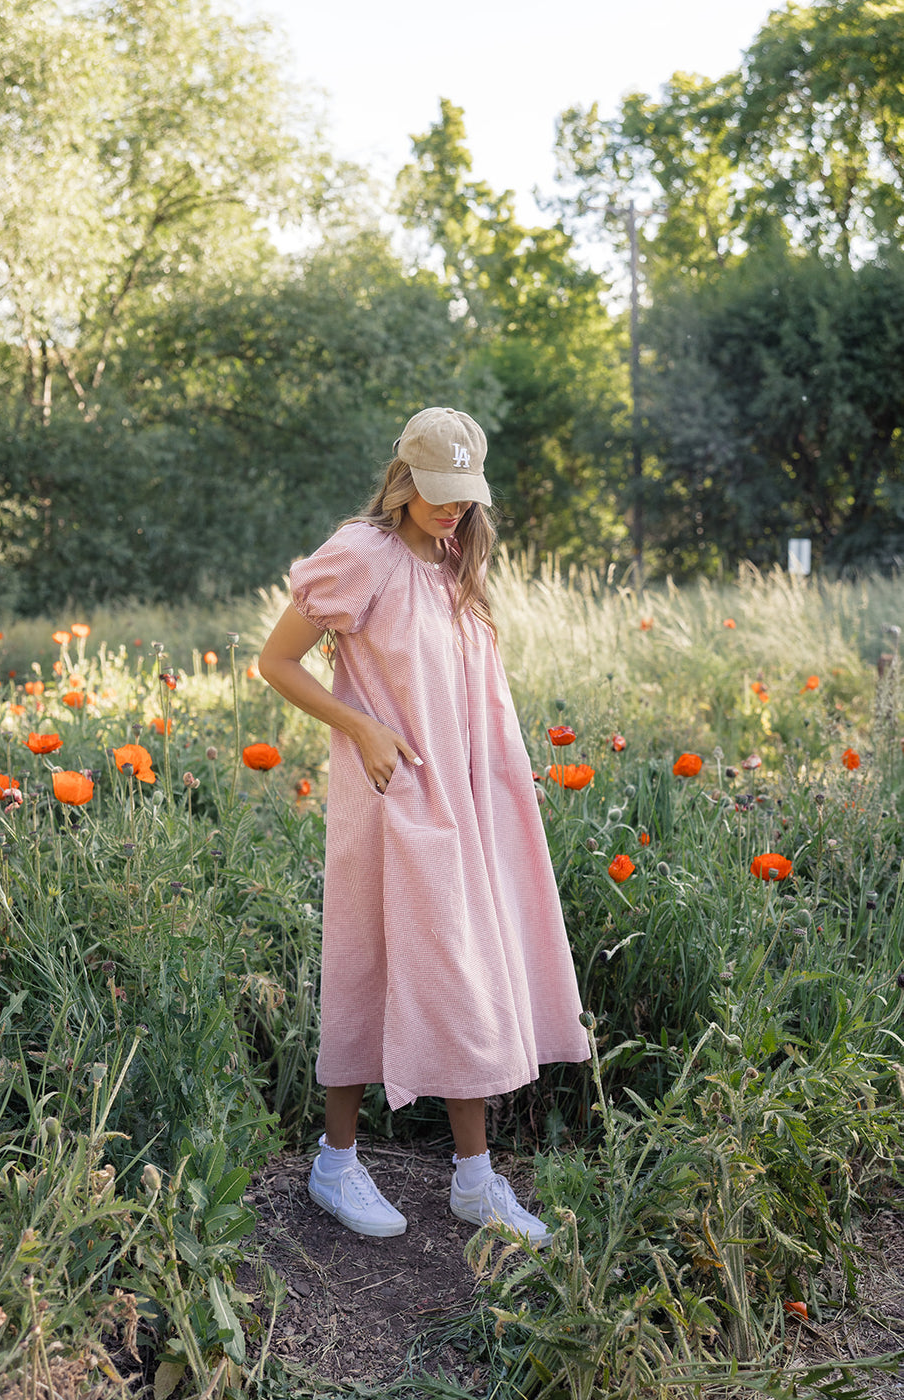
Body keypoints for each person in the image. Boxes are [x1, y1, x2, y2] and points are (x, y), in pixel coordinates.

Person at [258, 406, 590, 1245]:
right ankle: (336, 1164)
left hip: (464, 802)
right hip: (392, 796)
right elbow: (276, 660)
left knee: (463, 967)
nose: (453, 508)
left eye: (464, 495)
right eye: (439, 494)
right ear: (404, 480)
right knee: (376, 963)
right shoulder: (361, 555)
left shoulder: (451, 558)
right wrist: (361, 725)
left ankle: (474, 1180)